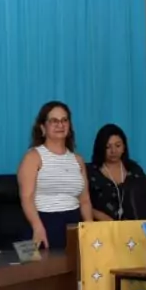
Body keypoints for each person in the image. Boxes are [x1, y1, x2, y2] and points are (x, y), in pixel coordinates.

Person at [16, 101, 92, 250]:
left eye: (64, 120)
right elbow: (27, 197)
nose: (60, 125)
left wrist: (90, 229)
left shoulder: (78, 160)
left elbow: (85, 200)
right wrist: (37, 227)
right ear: (43, 127)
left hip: (73, 225)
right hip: (44, 223)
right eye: (54, 121)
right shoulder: (33, 157)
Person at [87, 123, 145, 221]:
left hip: (132, 227)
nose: (113, 151)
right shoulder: (90, 172)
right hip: (101, 228)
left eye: (118, 145)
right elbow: (81, 203)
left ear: (124, 147)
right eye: (108, 147)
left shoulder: (135, 170)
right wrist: (98, 215)